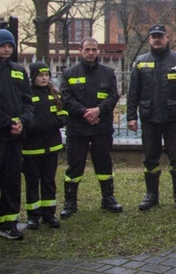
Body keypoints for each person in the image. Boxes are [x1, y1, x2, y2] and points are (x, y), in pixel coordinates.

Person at [127, 24, 176, 211]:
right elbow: (133, 91)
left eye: (160, 36)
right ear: (149, 39)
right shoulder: (141, 61)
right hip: (149, 118)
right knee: (150, 158)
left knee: (175, 157)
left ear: (167, 38)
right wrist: (131, 116)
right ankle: (151, 195)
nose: (157, 39)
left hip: (173, 118)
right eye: (153, 36)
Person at [60, 37, 122, 217]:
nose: (90, 53)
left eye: (94, 49)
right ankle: (70, 202)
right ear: (80, 50)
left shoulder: (108, 72)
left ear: (98, 51)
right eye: (87, 49)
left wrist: (98, 111)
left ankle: (108, 198)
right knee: (75, 166)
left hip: (101, 128)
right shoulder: (69, 73)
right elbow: (66, 97)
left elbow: (113, 96)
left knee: (104, 164)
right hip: (77, 129)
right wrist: (85, 113)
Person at [0, 29, 33, 246]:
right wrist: (7, 123)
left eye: (10, 46)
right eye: (3, 45)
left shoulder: (18, 71)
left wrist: (22, 120)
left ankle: (8, 225)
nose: (7, 49)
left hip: (15, 136)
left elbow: (27, 101)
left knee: (12, 181)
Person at [22, 62, 68, 230]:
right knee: (32, 181)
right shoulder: (26, 94)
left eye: (46, 75)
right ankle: (33, 216)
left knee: (48, 181)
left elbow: (63, 111)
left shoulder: (54, 94)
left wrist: (58, 121)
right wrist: (32, 125)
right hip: (31, 147)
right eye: (40, 75)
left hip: (51, 146)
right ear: (33, 77)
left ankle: (49, 214)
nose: (44, 78)